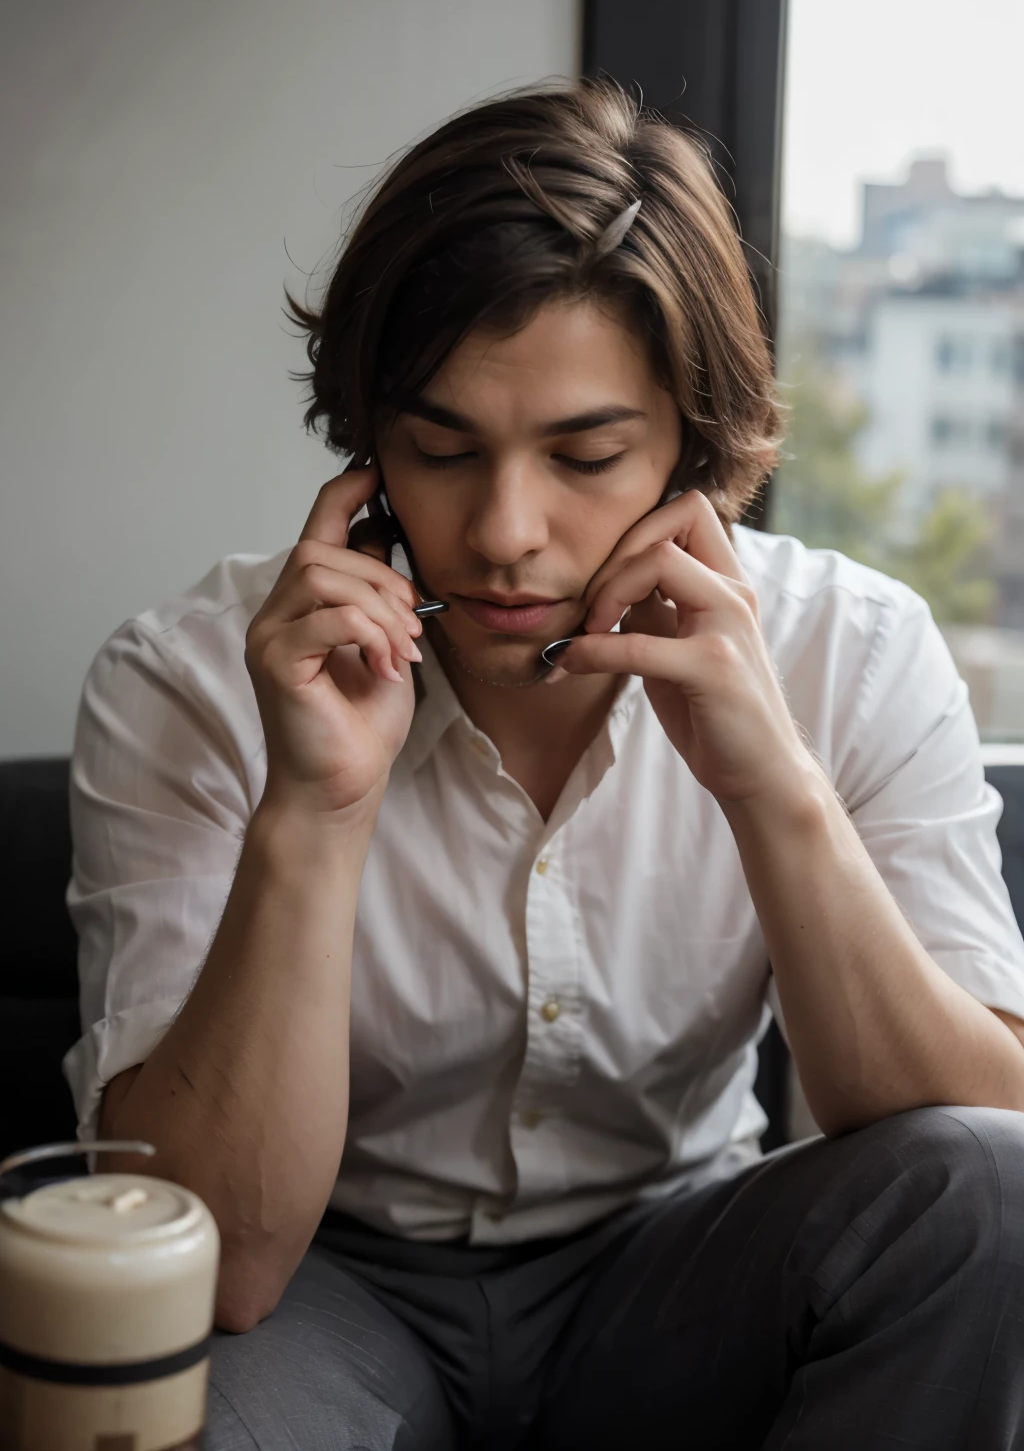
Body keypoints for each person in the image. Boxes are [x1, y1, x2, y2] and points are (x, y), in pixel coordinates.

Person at [64, 80, 1024, 1450]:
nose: (507, 531)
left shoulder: (852, 651)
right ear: (368, 452)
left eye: (586, 455)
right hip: (330, 1291)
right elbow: (219, 1263)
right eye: (442, 451)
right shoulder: (188, 678)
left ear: (695, 445)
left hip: (684, 1270)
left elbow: (970, 1161)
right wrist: (316, 811)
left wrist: (775, 792)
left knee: (995, 1191)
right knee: (156, 1387)